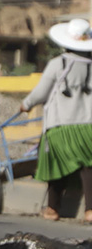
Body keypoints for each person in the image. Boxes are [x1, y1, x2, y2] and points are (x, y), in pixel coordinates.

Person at [20, 18, 92, 224]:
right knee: (89, 166)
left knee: (56, 164)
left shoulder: (57, 64)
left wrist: (26, 104)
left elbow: (41, 92)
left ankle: (52, 209)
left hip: (60, 126)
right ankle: (90, 211)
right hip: (89, 127)